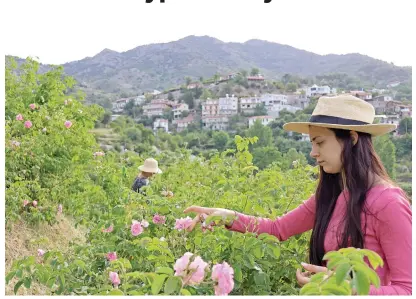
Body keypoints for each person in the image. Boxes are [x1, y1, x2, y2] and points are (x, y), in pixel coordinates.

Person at [183, 95, 412, 295]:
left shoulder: (388, 203)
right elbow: (276, 229)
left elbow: (407, 289)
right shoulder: (332, 195)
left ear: (352, 138)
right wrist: (225, 216)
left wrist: (343, 288)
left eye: (320, 142)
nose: (313, 153)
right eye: (312, 143)